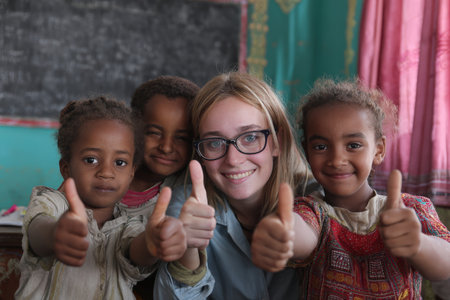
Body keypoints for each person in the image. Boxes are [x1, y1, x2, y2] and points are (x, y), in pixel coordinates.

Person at [251, 78, 450, 298]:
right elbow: (302, 234)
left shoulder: (412, 209)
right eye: (321, 146)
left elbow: (446, 265)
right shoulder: (312, 212)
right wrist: (284, 234)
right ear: (307, 151)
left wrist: (418, 244)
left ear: (379, 150)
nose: (337, 159)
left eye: (353, 145)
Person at [154, 71, 314, 299]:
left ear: (277, 142)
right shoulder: (186, 206)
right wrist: (188, 253)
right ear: (200, 151)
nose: (233, 159)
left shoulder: (314, 194)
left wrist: (294, 237)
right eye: (215, 143)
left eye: (250, 137)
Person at [15, 96, 187, 299]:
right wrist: (55, 233)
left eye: (120, 163)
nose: (106, 172)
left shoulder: (128, 224)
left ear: (132, 172)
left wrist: (152, 242)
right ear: (66, 168)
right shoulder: (54, 203)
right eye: (91, 160)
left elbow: (136, 251)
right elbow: (37, 229)